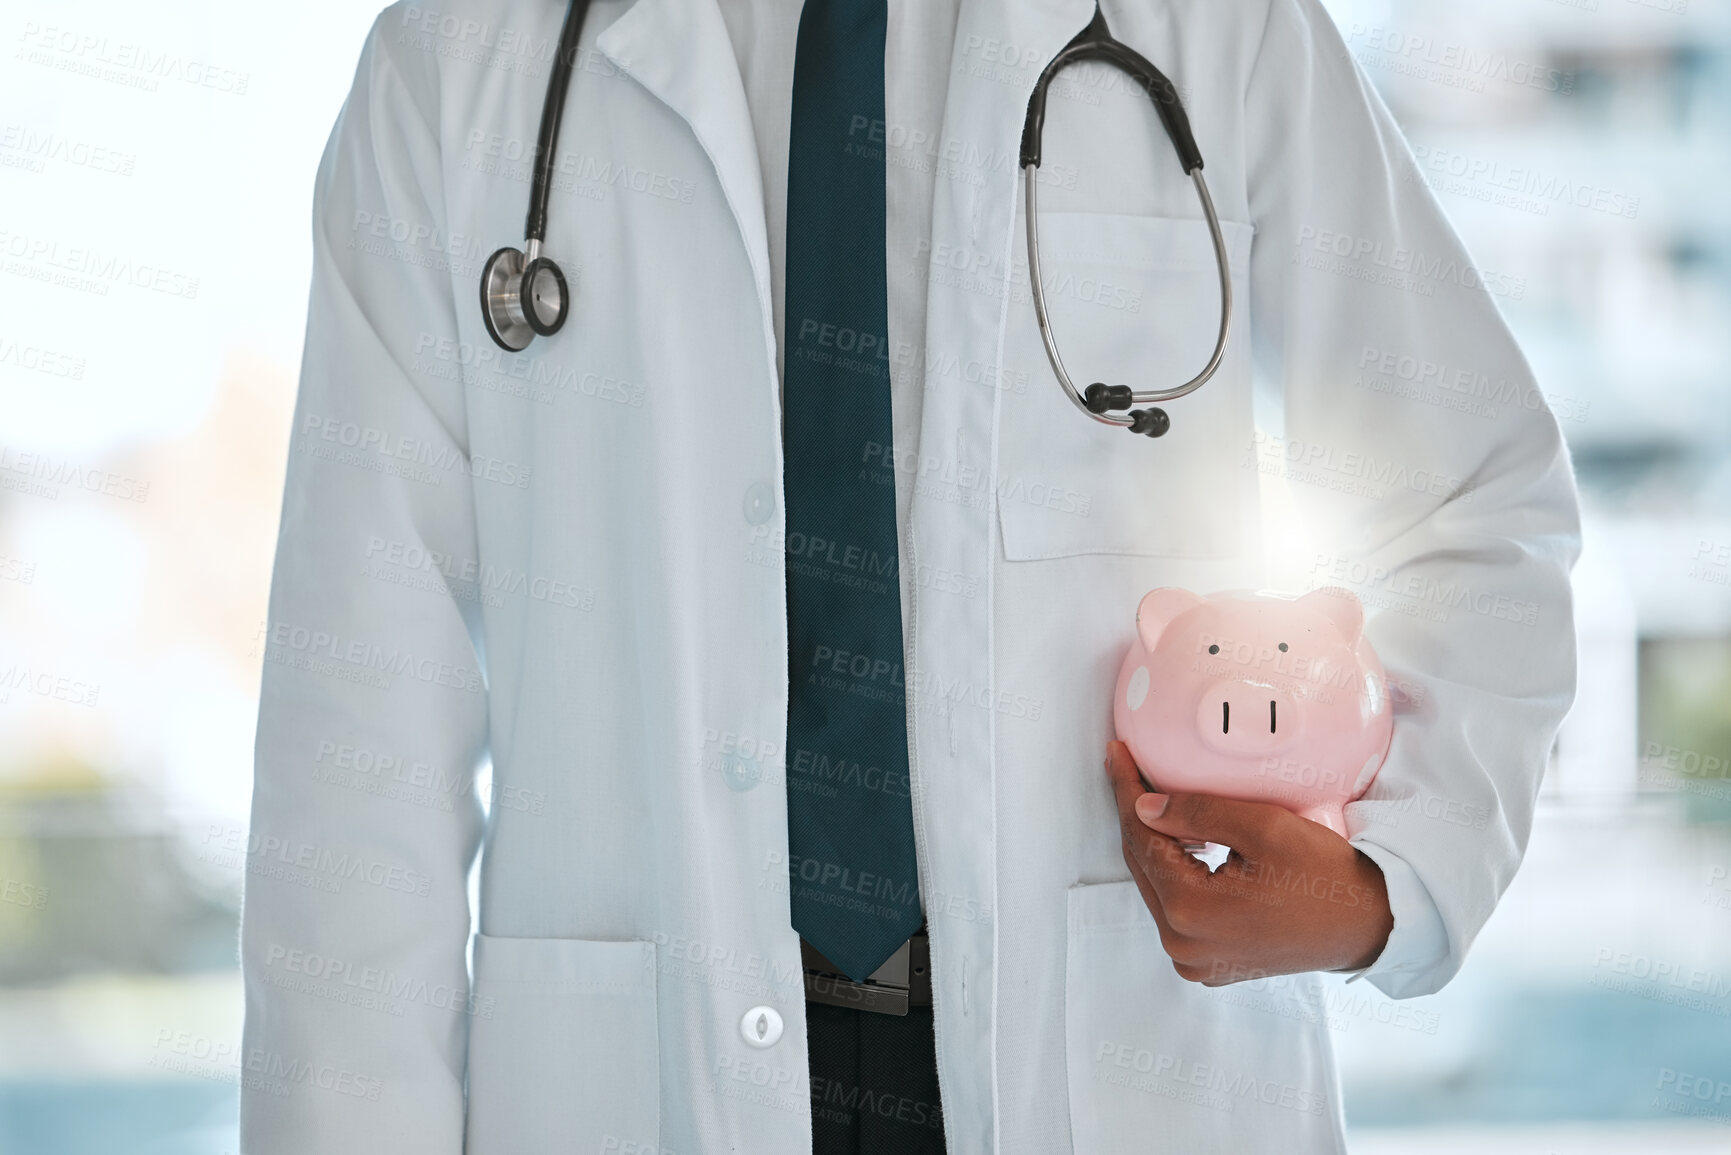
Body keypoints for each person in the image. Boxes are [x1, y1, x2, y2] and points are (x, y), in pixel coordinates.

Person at [240, 0, 1581, 1151]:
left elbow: (1478, 496)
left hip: (1127, 1055)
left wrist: (1383, 889)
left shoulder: (1212, 25)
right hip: (633, 1079)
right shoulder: (463, 61)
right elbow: (360, 738)